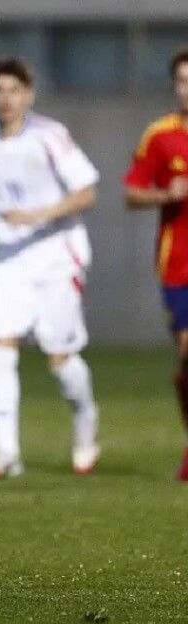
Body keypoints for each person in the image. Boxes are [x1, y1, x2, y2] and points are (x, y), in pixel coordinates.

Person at [0, 57, 101, 479]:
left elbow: (87, 192)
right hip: (9, 259)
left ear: (29, 95)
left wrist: (40, 214)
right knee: (1, 347)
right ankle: (6, 452)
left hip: (58, 254)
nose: (6, 98)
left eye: (14, 90)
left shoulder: (50, 136)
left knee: (59, 358)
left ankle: (85, 419)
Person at [123, 45, 188, 481]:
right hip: (178, 265)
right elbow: (132, 193)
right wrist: (167, 194)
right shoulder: (160, 136)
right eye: (183, 81)